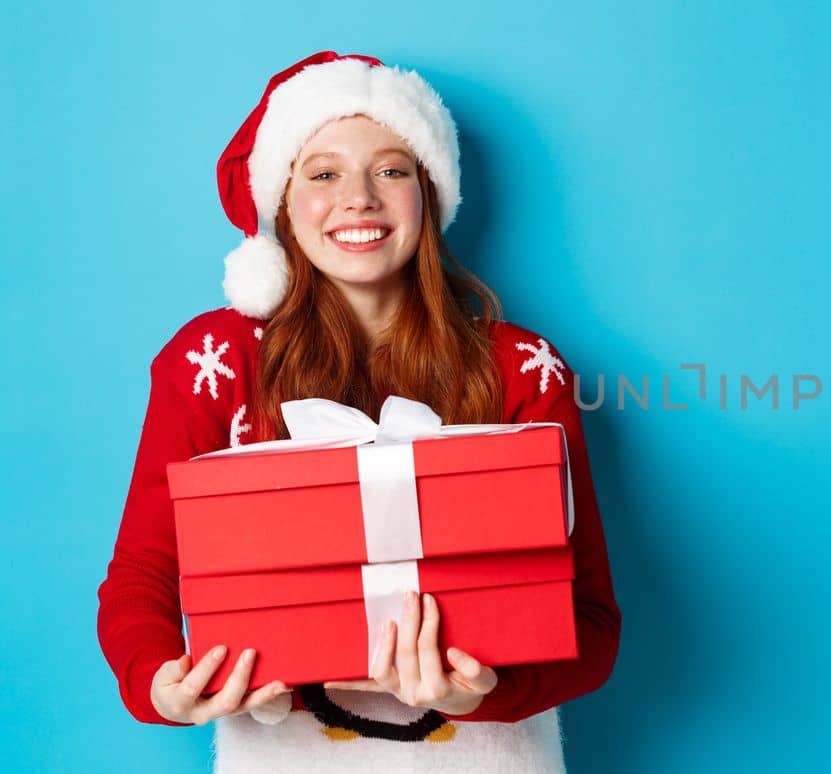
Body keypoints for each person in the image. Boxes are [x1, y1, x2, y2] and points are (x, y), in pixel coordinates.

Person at [96, 51, 621, 773]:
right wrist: (158, 680)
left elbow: (591, 620)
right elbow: (144, 573)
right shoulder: (215, 360)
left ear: (429, 193)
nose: (359, 199)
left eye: (391, 170)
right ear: (282, 201)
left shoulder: (521, 368)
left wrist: (486, 693)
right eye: (323, 173)